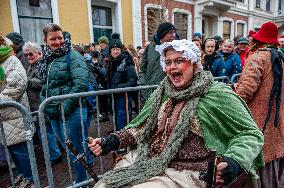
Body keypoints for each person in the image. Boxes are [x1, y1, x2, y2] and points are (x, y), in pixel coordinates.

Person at [89, 39, 264, 188]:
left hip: (187, 171)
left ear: (194, 63)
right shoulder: (162, 92)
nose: (172, 67)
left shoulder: (218, 94)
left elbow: (249, 134)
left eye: (179, 60)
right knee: (103, 185)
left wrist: (234, 161)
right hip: (148, 159)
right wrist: (110, 141)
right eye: (168, 62)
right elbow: (142, 128)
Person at [39, 23, 89, 184]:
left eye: (60, 38)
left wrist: (64, 107)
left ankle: (82, 182)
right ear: (45, 40)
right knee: (69, 151)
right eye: (53, 39)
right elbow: (45, 86)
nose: (58, 42)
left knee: (76, 150)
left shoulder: (73, 56)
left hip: (71, 112)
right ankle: (80, 179)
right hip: (54, 113)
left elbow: (81, 84)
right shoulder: (46, 59)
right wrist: (45, 103)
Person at [236, 22, 284, 188]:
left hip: (258, 125)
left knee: (259, 168)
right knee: (274, 168)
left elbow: (245, 92)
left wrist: (233, 97)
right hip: (276, 125)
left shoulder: (257, 58)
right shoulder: (280, 58)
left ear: (258, 40)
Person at [0, 34, 34, 187]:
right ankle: (22, 176)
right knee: (13, 151)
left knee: (20, 151)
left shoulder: (11, 60)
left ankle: (29, 179)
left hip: (14, 114)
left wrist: (0, 99)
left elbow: (18, 85)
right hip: (5, 115)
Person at [23, 41, 62, 165]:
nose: (28, 57)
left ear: (39, 53)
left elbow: (43, 82)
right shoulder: (32, 66)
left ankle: (55, 155)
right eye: (26, 55)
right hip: (36, 104)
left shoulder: (42, 64)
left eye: (30, 54)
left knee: (45, 131)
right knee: (45, 131)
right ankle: (54, 153)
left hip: (42, 104)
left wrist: (26, 81)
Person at [106, 33, 138, 131]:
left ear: (121, 50)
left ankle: (125, 143)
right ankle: (118, 137)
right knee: (116, 118)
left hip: (124, 97)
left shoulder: (127, 62)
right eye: (113, 50)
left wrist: (118, 88)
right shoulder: (111, 62)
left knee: (123, 120)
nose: (115, 52)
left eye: (117, 49)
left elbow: (132, 80)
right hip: (114, 97)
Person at [139, 22, 176, 100]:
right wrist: (142, 84)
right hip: (148, 92)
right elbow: (143, 69)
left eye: (174, 32)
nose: (173, 35)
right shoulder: (150, 48)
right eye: (170, 32)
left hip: (167, 94)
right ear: (162, 34)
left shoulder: (175, 49)